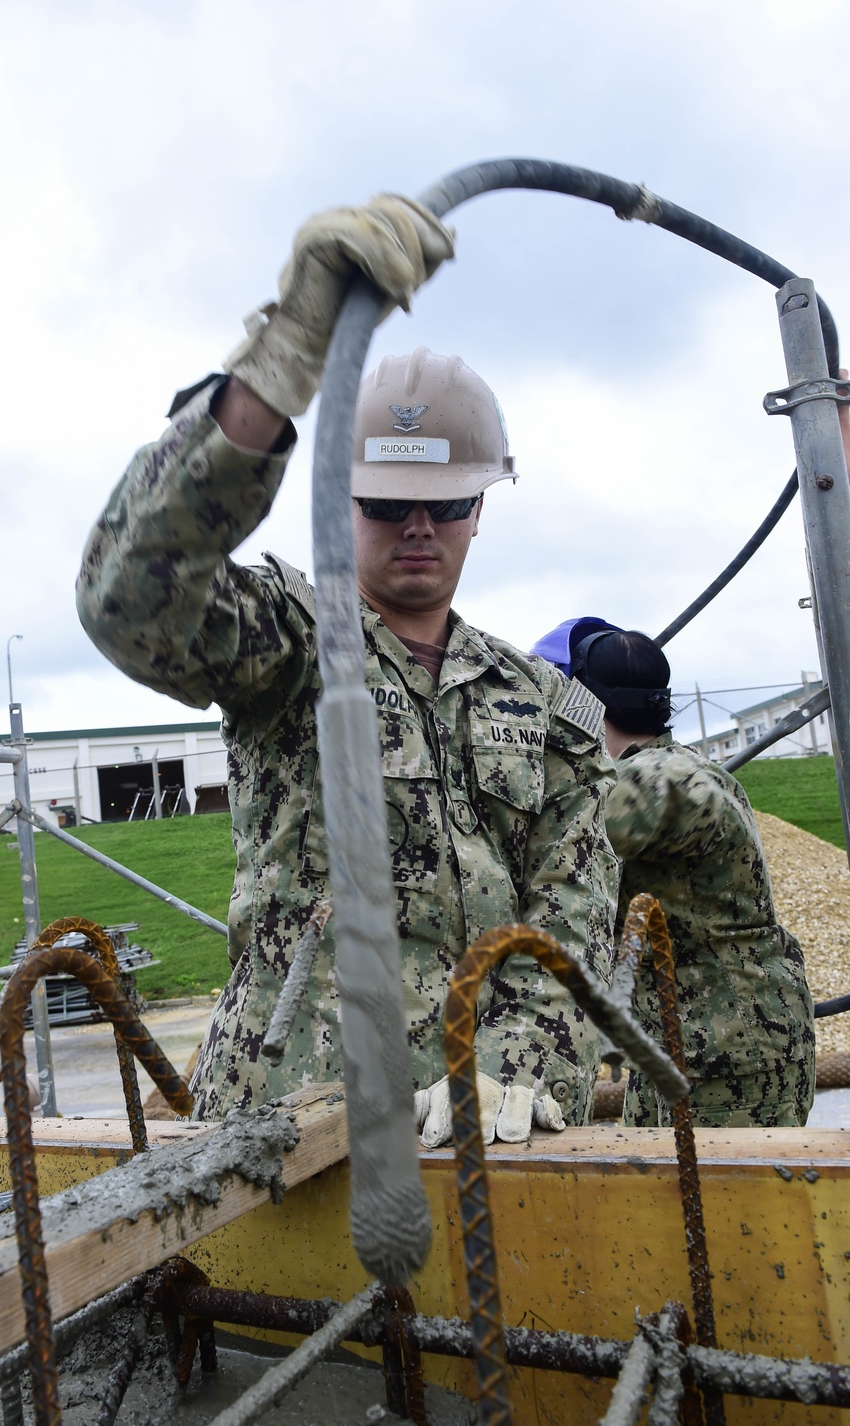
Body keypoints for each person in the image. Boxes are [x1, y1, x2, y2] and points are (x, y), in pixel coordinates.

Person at [77, 196, 619, 1143]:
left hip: (482, 1143)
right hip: (289, 1130)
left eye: (445, 504)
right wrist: (275, 371)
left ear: (481, 509)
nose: (418, 527)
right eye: (385, 500)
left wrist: (507, 1073)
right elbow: (128, 598)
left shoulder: (542, 709)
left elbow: (573, 912)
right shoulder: (292, 645)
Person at [531, 618, 815, 1127]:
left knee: (728, 1206)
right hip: (681, 1043)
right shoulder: (660, 767)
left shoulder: (666, 779)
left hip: (729, 1055)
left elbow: (570, 824)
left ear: (578, 702)